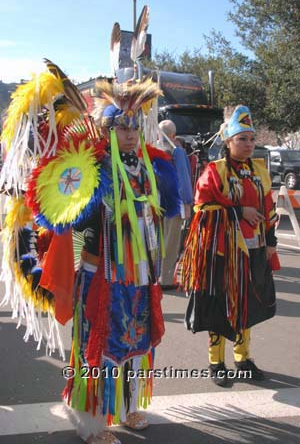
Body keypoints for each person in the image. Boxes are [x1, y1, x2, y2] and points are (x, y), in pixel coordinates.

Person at [0, 69, 180, 443]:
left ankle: (128, 405)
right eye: (122, 126)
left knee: (136, 339)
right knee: (96, 344)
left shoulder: (155, 165)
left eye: (134, 126)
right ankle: (91, 421)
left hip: (139, 274)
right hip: (101, 272)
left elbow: (164, 209)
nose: (130, 133)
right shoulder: (93, 169)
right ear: (109, 130)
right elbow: (66, 216)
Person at [177, 105, 278, 386]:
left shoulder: (260, 171)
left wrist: (270, 243)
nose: (248, 144)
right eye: (241, 139)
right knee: (220, 306)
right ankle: (216, 362)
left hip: (253, 250)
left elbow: (268, 209)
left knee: (247, 305)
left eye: (252, 139)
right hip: (222, 251)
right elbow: (203, 207)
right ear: (228, 142)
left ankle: (243, 358)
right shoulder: (215, 171)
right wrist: (238, 211)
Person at [158, 120, 193, 290]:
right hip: (173, 203)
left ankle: (155, 276)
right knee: (171, 242)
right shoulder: (177, 152)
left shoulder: (152, 149)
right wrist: (187, 201)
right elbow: (183, 178)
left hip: (155, 203)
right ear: (173, 135)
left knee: (157, 241)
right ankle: (166, 278)